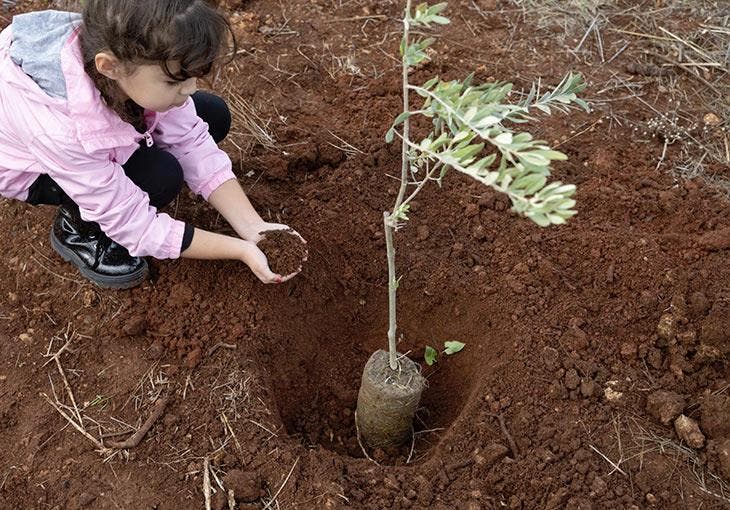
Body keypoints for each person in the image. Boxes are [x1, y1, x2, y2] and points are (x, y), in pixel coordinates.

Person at [0, 0, 305, 289]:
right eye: (174, 81)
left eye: (192, 76)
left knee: (212, 114)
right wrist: (240, 250)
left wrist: (254, 228)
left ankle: (136, 149)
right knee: (160, 177)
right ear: (110, 67)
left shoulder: (132, 44)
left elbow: (190, 140)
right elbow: (136, 225)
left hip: (91, 127)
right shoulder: (59, 129)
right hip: (31, 168)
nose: (190, 89)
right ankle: (78, 230)